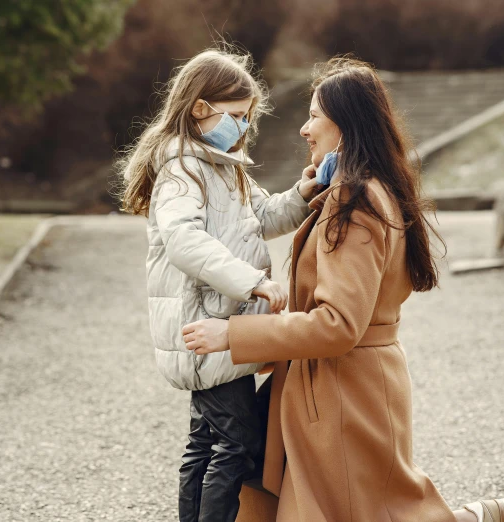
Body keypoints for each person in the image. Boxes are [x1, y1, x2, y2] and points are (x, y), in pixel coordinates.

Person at [181, 56, 504, 522]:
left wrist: (232, 334)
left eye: (314, 115)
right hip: (344, 389)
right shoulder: (368, 189)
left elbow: (337, 324)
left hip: (341, 395)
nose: (303, 128)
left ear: (345, 124)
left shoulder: (353, 201)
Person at [119, 48, 320, 522]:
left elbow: (262, 218)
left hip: (222, 326)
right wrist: (254, 283)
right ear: (199, 109)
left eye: (247, 118)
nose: (242, 128)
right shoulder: (183, 171)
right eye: (233, 116)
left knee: (206, 441)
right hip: (204, 329)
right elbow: (183, 240)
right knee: (237, 443)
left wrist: (301, 194)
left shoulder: (224, 165)